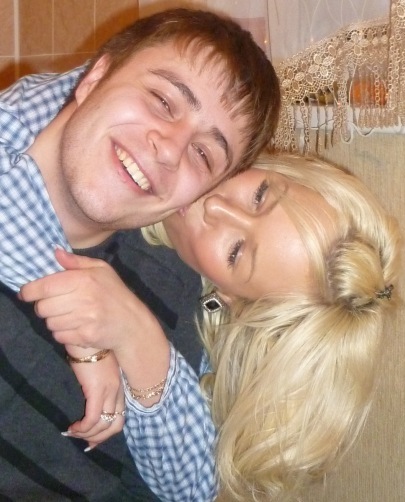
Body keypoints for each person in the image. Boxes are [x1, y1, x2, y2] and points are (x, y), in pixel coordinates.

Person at [0, 8, 280, 499]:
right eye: (162, 101)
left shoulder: (172, 291)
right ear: (95, 77)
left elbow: (193, 489)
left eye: (203, 154)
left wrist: (134, 333)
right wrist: (83, 334)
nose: (169, 149)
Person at [21, 153, 401, 501]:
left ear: (232, 298)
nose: (217, 205)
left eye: (236, 251)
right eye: (259, 195)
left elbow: (188, 490)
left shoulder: (172, 306)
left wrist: (137, 338)